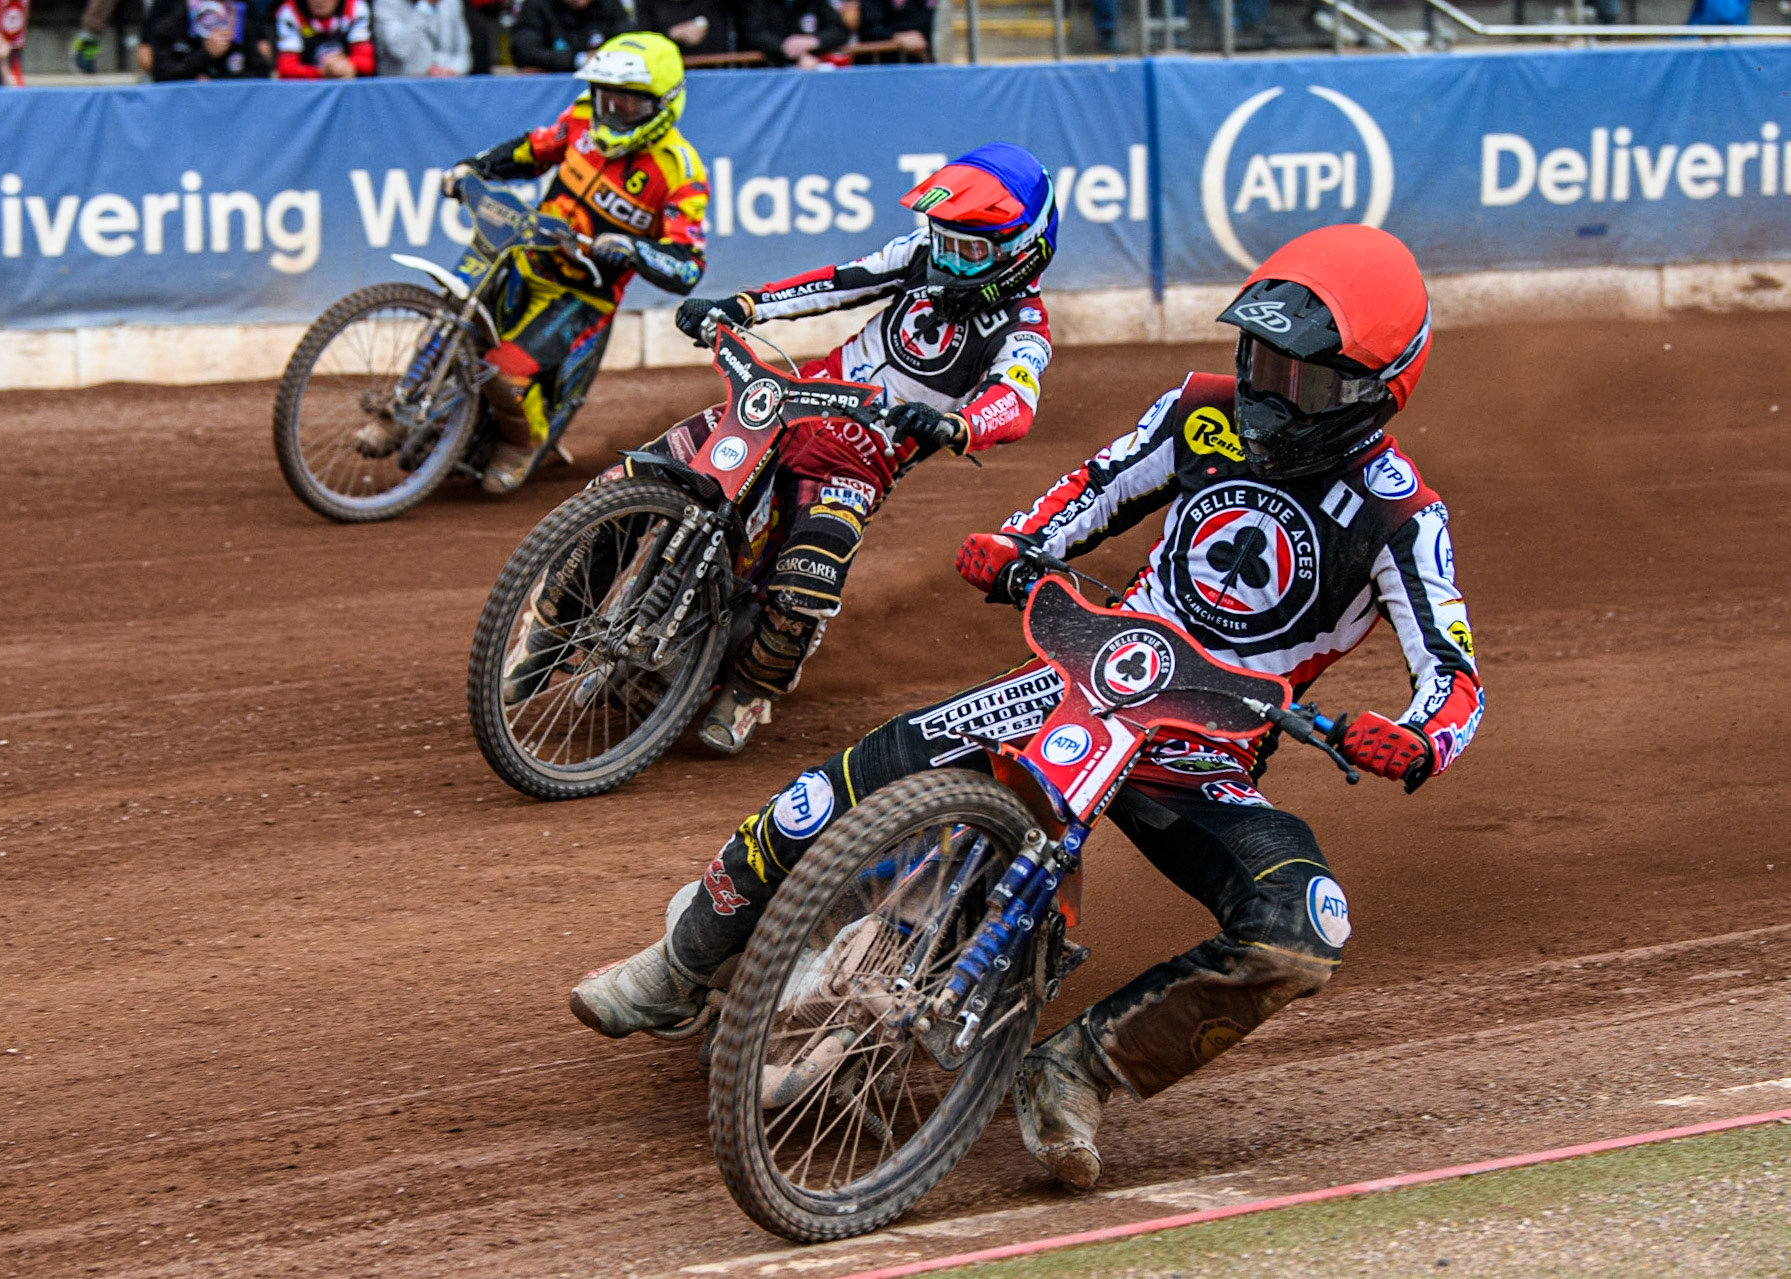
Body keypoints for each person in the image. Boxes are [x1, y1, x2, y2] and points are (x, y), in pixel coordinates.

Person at [571, 223, 1484, 1189]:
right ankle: (682, 961)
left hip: (1203, 749)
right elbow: (1093, 486)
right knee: (841, 782)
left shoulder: (1402, 515)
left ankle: (1079, 1069)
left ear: (1371, 394)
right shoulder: (1201, 412)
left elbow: (1455, 677)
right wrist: (1019, 543)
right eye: (1257, 357)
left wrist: (1417, 738)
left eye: (1298, 377)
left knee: (1305, 927)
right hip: (1090, 670)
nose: (1266, 388)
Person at [658, 142, 1056, 755]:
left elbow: (1016, 399)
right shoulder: (920, 255)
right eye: (943, 239)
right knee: (655, 470)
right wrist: (745, 304)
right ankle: (553, 609)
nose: (948, 258)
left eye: (968, 249)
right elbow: (838, 282)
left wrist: (957, 426)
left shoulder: (1024, 327)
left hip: (858, 462)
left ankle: (750, 690)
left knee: (809, 579)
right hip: (792, 403)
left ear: (1020, 252)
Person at [415, 32, 707, 492]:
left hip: (583, 293)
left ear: (662, 105)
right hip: (524, 256)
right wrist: (474, 167)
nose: (610, 112)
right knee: (450, 319)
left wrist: (633, 249)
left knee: (504, 373)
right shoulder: (582, 119)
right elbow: (532, 150)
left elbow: (688, 264)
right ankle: (396, 417)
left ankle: (523, 444)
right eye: (605, 98)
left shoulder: (679, 171)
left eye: (626, 105)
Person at [145, 0, 273, 79]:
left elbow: (261, 73)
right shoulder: (172, 27)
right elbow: (162, 74)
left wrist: (217, 80)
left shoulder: (239, 25)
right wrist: (205, 54)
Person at [509, 0, 627, 71]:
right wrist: (579, 60)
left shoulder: (609, 5)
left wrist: (603, 59)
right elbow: (526, 53)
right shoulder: (537, 6)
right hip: (554, 92)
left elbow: (628, 45)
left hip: (603, 85)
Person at [272, 0, 374, 77]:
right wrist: (322, 72)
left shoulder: (355, 7)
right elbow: (285, 68)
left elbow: (367, 62)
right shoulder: (290, 11)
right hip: (307, 91)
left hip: (350, 86)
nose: (319, 1)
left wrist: (350, 66)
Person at [739, 0, 848, 67]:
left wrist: (814, 41)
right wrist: (793, 52)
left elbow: (839, 30)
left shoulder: (815, 2)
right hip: (767, 74)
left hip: (809, 70)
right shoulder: (757, 3)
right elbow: (752, 34)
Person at [375, 0, 470, 74]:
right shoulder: (386, 3)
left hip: (448, 85)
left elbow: (464, 52)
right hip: (405, 89)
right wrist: (426, 7)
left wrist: (452, 70)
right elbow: (399, 50)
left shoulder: (451, 2)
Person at [635, 0, 736, 56]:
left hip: (715, 72)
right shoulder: (647, 4)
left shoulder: (715, 4)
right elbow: (642, 40)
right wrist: (671, 34)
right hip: (668, 73)